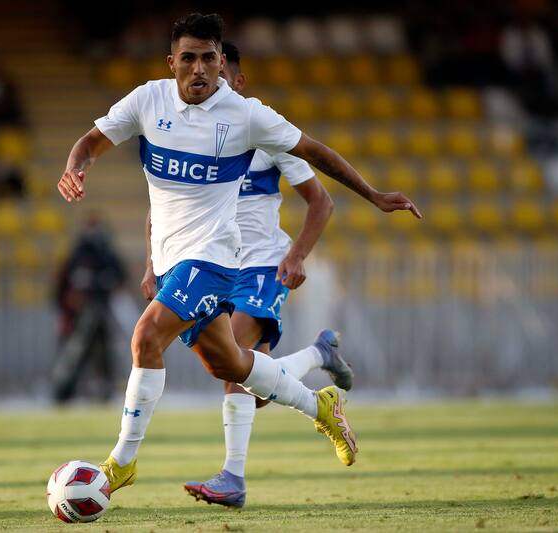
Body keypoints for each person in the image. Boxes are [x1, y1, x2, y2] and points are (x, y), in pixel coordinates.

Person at [57, 13, 421, 497]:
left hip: (216, 259)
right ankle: (321, 404)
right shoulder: (147, 100)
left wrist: (374, 195)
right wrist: (75, 167)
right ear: (172, 63)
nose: (200, 69)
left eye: (210, 58)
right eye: (189, 58)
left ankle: (123, 462)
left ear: (222, 61)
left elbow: (316, 154)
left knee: (145, 337)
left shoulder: (246, 115)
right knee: (232, 366)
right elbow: (91, 142)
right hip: (171, 261)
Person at [136, 41, 353, 508]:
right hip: (208, 262)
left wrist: (295, 256)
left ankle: (233, 477)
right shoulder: (192, 135)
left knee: (238, 372)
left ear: (236, 81)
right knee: (244, 379)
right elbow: (165, 205)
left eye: (221, 77)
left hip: (260, 265)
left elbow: (321, 200)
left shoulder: (268, 135)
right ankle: (318, 358)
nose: (211, 86)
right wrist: (153, 263)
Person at [51, 213, 127, 404]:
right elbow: (63, 288)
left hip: (102, 314)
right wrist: (67, 309)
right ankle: (64, 390)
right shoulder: (78, 255)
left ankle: (104, 389)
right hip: (79, 317)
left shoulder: (107, 254)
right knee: (74, 352)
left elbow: (119, 278)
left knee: (102, 354)